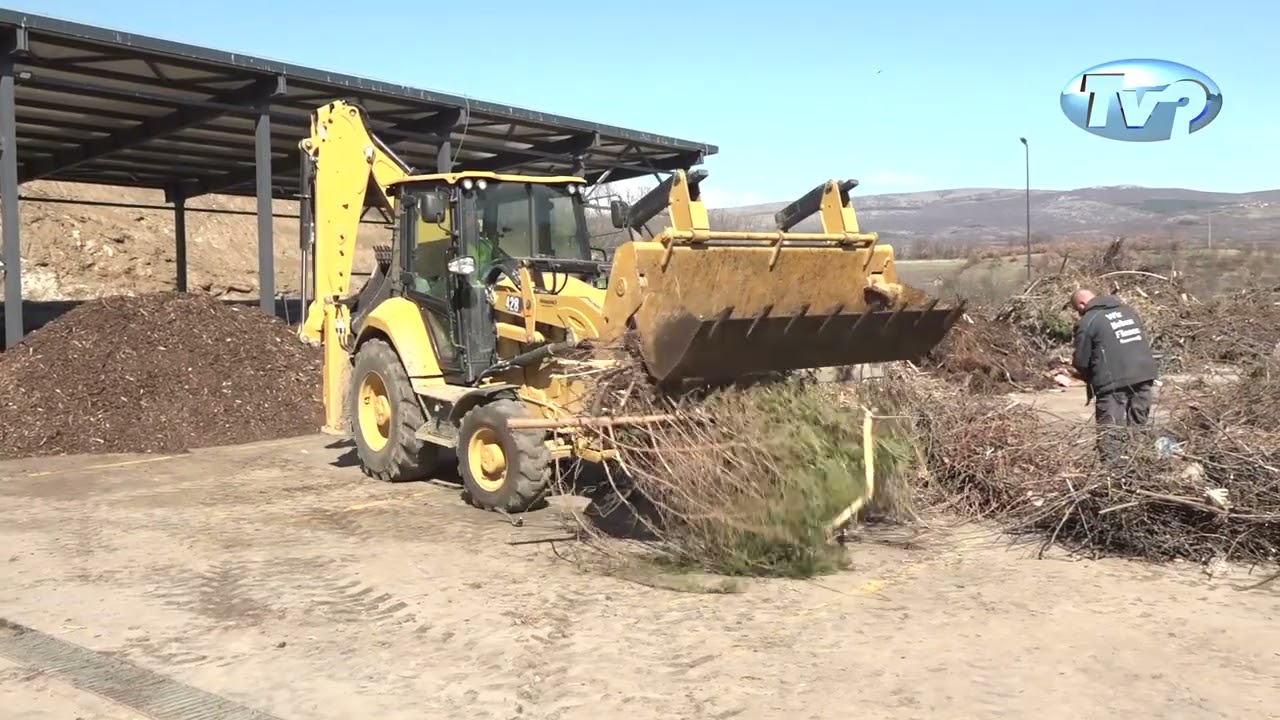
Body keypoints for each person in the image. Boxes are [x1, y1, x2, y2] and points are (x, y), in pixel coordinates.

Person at [1068, 288, 1159, 463]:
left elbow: (1081, 360)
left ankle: (1113, 474)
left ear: (1081, 304)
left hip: (1112, 381)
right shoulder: (1128, 311)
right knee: (1138, 426)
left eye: (1077, 309)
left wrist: (1086, 375)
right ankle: (1141, 464)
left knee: (1109, 430)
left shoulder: (1089, 321)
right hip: (1143, 374)